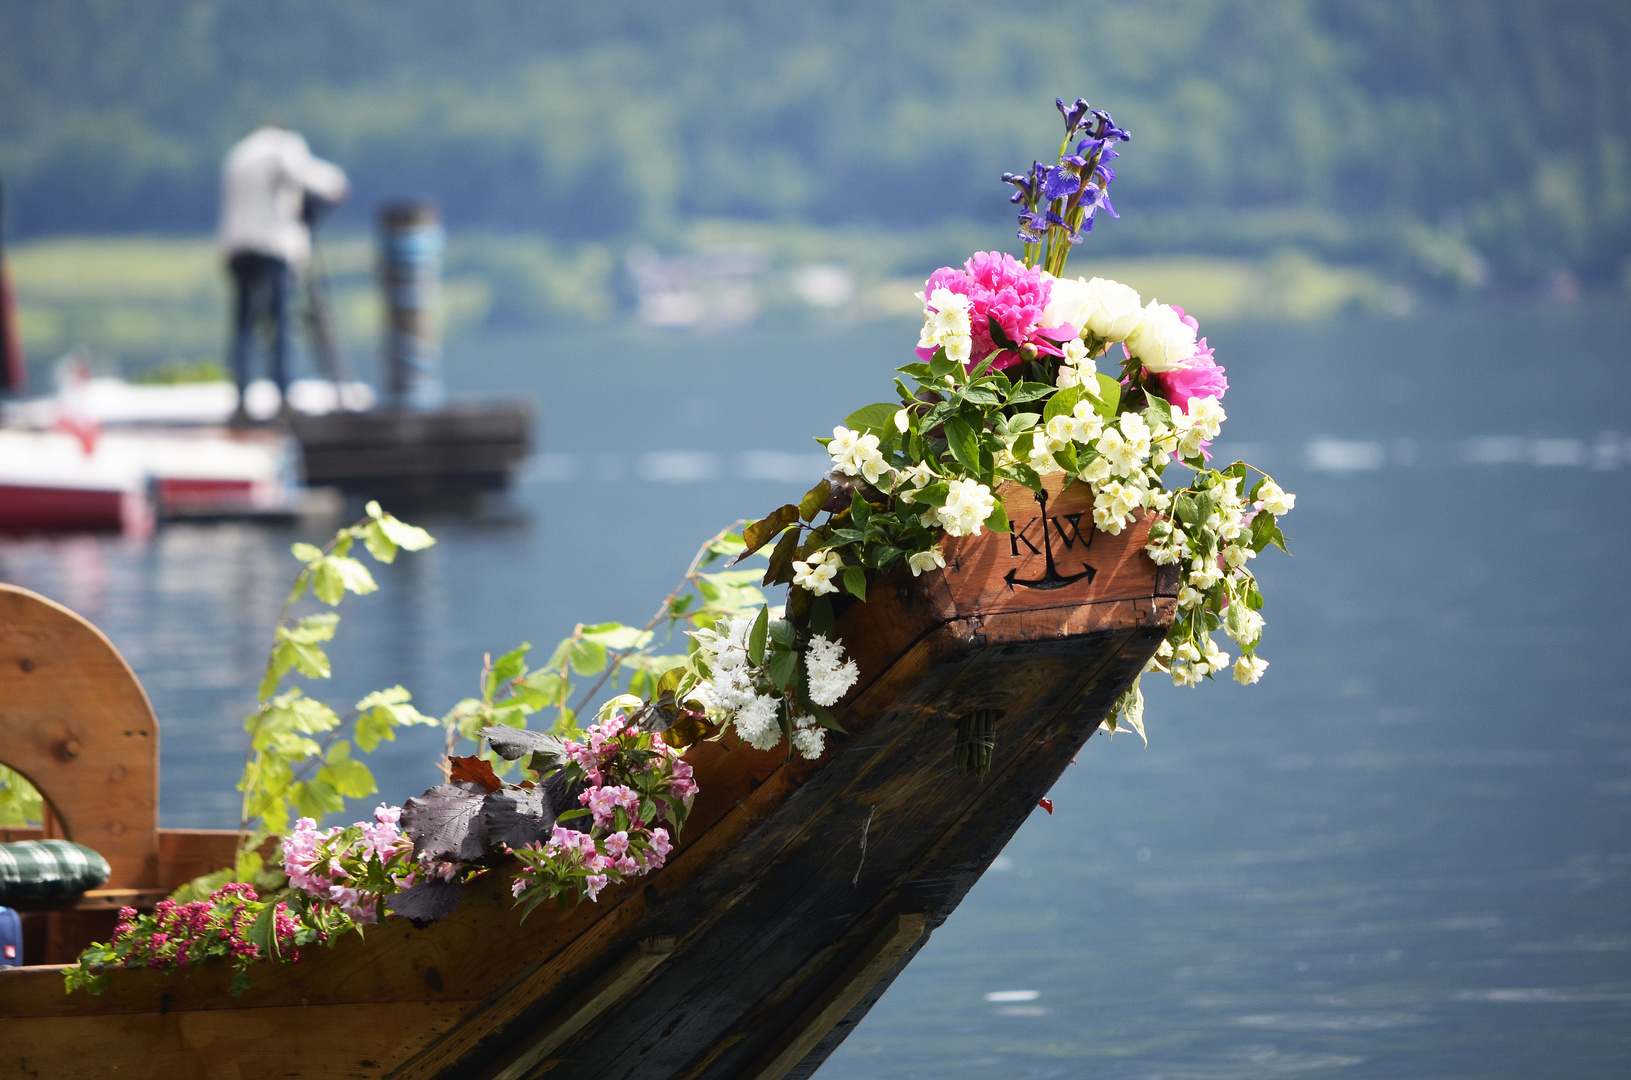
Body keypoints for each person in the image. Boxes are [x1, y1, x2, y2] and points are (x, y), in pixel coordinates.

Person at [218, 126, 348, 424]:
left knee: (244, 327)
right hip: (272, 246)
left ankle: (241, 400)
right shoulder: (282, 148)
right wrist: (334, 189)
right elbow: (310, 178)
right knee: (281, 324)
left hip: (237, 247)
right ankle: (284, 397)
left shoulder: (238, 154)